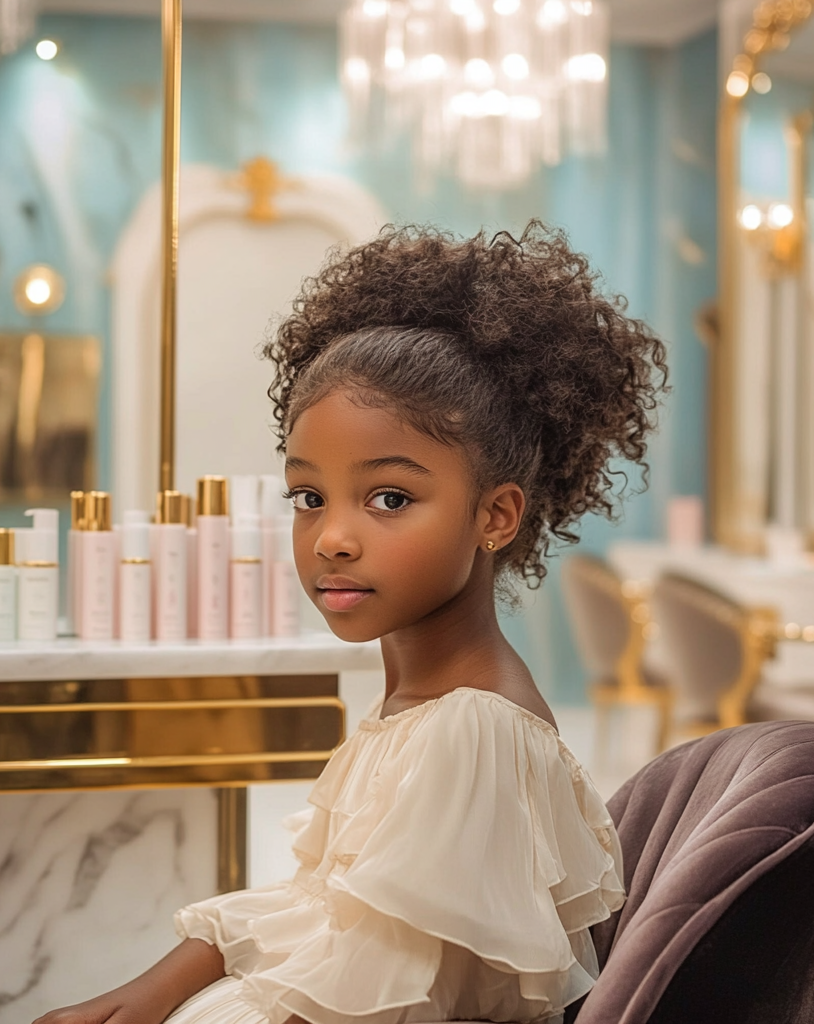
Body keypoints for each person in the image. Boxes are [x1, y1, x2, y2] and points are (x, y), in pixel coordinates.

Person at [34, 222, 668, 1024]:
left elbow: (371, 992)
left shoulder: (472, 730)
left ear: (497, 515)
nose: (332, 536)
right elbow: (327, 909)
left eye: (390, 498)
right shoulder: (422, 709)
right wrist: (154, 988)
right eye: (309, 496)